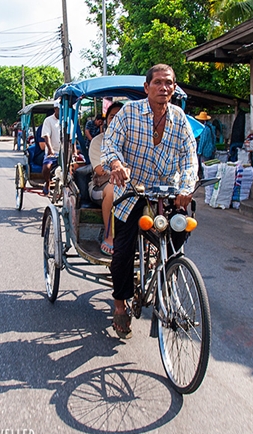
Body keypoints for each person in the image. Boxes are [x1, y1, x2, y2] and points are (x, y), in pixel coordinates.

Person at [102, 64, 198, 339]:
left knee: (179, 233)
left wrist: (187, 187)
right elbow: (110, 145)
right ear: (147, 87)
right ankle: (120, 304)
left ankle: (163, 274)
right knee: (123, 251)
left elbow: (189, 158)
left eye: (168, 83)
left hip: (166, 193)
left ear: (174, 87)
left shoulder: (180, 119)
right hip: (132, 192)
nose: (163, 87)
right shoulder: (129, 113)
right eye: (157, 82)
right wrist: (116, 164)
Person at [88, 102, 123, 256]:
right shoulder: (98, 141)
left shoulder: (132, 141)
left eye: (120, 117)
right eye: (112, 117)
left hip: (127, 185)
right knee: (112, 189)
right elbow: (100, 170)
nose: (115, 120)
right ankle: (109, 236)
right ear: (107, 119)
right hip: (100, 186)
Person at [41, 102, 61, 195]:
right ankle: (47, 182)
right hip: (53, 152)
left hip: (64, 153)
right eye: (59, 109)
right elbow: (46, 136)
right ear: (55, 109)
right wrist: (50, 149)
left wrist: (74, 152)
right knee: (46, 167)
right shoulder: (48, 120)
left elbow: (71, 139)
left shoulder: (68, 121)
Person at [195, 111, 216, 175]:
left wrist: (199, 152)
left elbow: (202, 141)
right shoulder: (210, 127)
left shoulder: (204, 129)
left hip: (205, 151)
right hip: (210, 150)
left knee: (204, 167)